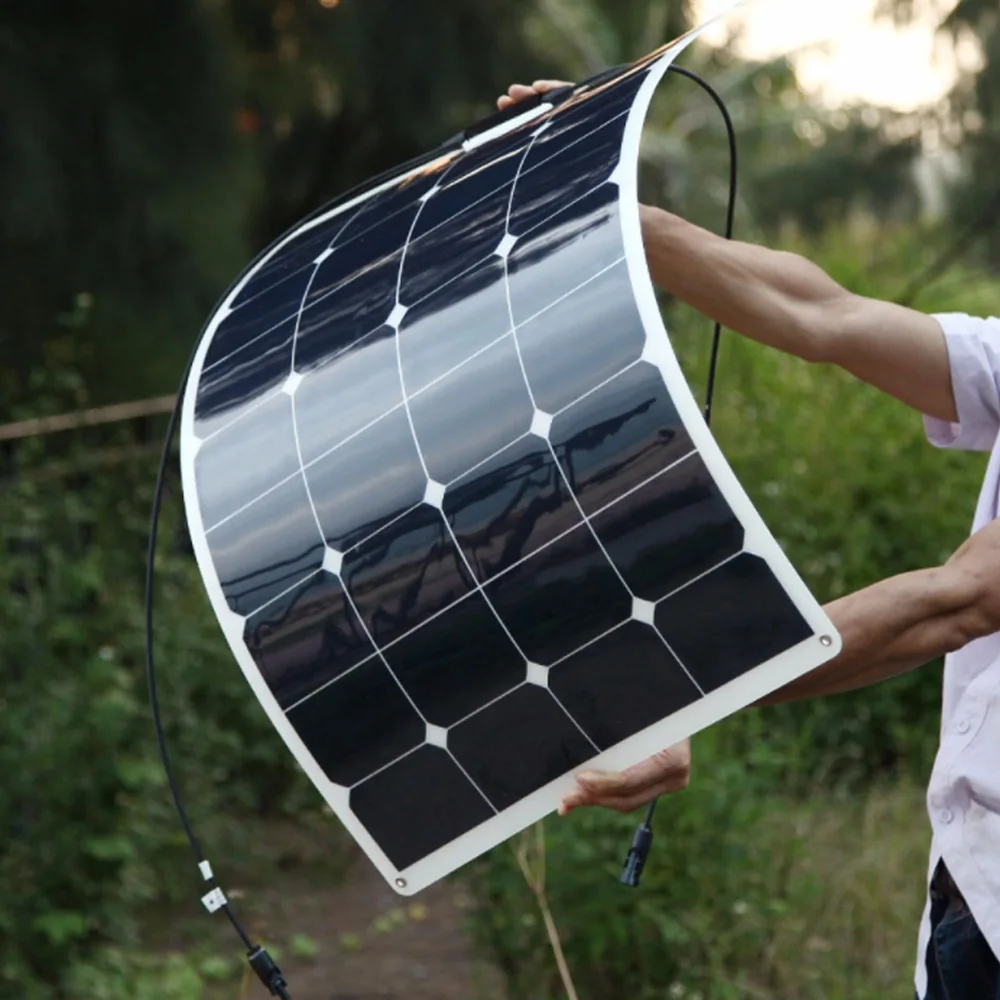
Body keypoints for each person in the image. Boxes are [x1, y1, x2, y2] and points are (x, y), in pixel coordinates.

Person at [497, 81, 1000, 999]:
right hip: (971, 885)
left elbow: (955, 600)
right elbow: (823, 315)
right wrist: (606, 209)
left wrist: (681, 696)